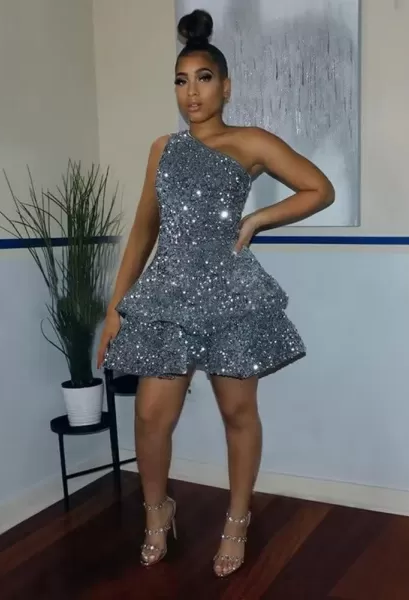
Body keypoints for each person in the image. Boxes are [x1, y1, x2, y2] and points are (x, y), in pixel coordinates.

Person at [97, 8, 334, 578]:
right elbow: (143, 230)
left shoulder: (248, 141)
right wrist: (116, 307)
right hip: (167, 295)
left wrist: (258, 220)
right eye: (181, 81)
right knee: (151, 416)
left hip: (229, 294)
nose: (192, 92)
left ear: (225, 86)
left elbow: (318, 189)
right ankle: (158, 513)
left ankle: (237, 521)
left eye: (203, 78)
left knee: (237, 412)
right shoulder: (163, 148)